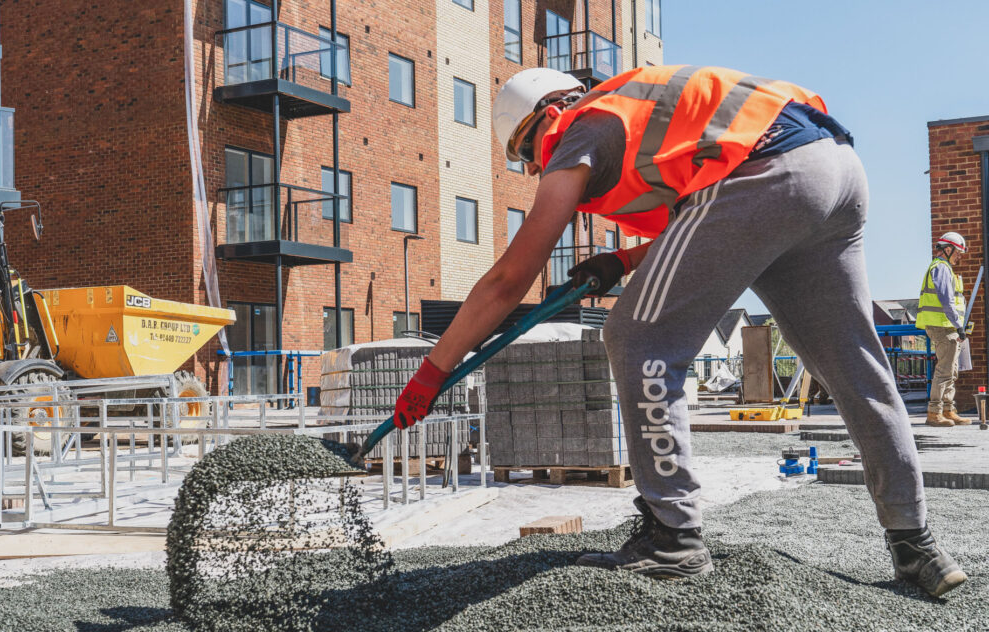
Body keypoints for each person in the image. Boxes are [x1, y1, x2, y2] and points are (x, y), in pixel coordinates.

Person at [392, 66, 967, 597]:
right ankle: (916, 546)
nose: (537, 170)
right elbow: (706, 221)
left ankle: (674, 536)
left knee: (636, 338)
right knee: (853, 366)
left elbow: (509, 279)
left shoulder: (582, 124)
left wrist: (433, 370)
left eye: (527, 155)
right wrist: (620, 262)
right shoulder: (647, 113)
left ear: (546, 115)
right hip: (833, 171)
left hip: (766, 175)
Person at [916, 233, 972, 427]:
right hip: (942, 326)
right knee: (944, 371)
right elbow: (946, 301)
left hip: (947, 326)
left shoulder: (945, 268)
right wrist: (958, 325)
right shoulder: (941, 268)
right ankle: (935, 413)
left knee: (951, 371)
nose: (960, 256)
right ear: (947, 249)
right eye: (958, 252)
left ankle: (948, 410)